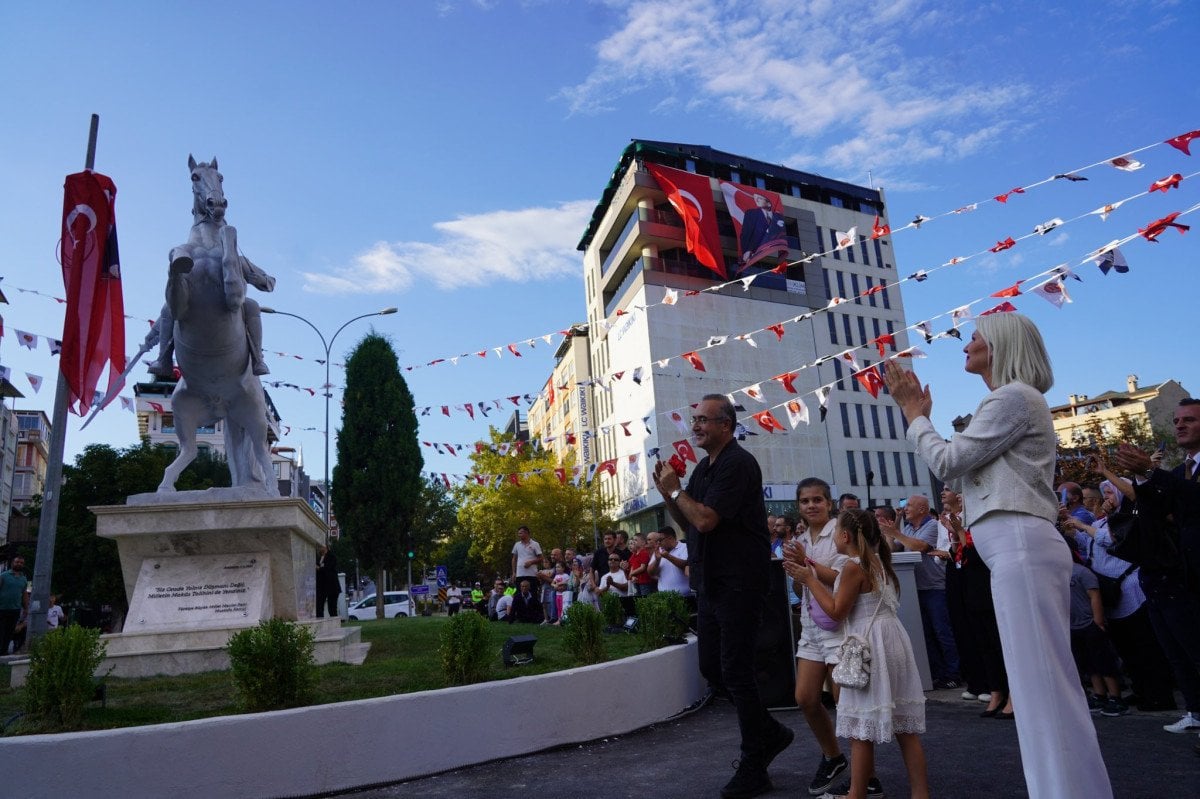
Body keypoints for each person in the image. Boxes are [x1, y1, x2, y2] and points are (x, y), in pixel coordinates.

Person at [885, 311, 1112, 797]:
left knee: (1042, 691)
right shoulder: (1011, 400)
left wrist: (914, 414)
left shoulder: (1011, 398)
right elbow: (961, 471)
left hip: (1021, 548)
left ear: (1001, 346)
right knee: (1040, 690)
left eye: (976, 338)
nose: (966, 345)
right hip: (1017, 550)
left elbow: (948, 461)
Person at [654, 394, 792, 799]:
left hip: (739, 583)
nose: (694, 426)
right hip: (711, 584)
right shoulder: (703, 469)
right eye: (693, 418)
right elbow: (688, 523)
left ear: (726, 425)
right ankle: (770, 732)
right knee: (713, 668)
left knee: (736, 671)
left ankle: (755, 762)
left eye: (702, 420)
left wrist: (678, 491)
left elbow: (707, 520)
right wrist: (668, 494)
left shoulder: (737, 463)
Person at [789, 509, 928, 799]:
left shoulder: (853, 566)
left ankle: (856, 794)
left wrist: (809, 580)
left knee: (860, 728)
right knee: (905, 728)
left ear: (844, 536)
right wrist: (809, 566)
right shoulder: (876, 561)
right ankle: (920, 793)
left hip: (869, 644)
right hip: (892, 639)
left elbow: (837, 611)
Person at [1113, 398, 1200, 737]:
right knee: (1179, 653)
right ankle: (1195, 710)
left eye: (1189, 420)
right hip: (1172, 575)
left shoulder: (1179, 478)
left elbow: (1193, 501)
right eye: (1177, 420)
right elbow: (1156, 512)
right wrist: (1141, 478)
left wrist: (1151, 473)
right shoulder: (1180, 472)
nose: (1179, 425)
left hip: (1190, 576)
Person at [785, 477, 852, 796]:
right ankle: (833, 756)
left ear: (829, 503)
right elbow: (801, 586)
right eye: (805, 501)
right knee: (805, 698)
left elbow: (844, 577)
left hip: (838, 624)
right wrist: (798, 572)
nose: (811, 505)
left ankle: (866, 774)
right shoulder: (803, 538)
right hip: (811, 625)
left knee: (845, 702)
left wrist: (806, 566)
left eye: (817, 500)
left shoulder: (840, 532)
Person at [882, 495, 961, 690]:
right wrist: (890, 534)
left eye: (909, 505)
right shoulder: (908, 528)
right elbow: (893, 551)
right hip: (916, 588)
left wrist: (896, 532)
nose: (905, 508)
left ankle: (954, 673)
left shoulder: (933, 526)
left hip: (935, 587)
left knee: (942, 632)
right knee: (926, 633)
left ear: (922, 509)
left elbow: (921, 547)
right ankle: (937, 673)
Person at [1, 556, 30, 655]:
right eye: (17, 562)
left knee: (9, 632)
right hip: (2, 608)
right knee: (1, 631)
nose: (19, 564)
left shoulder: (23, 579)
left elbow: (24, 594)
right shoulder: (4, 576)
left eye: (21, 563)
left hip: (15, 609)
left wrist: (26, 608)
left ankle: (3, 653)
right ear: (13, 563)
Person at [315, 545, 341, 619]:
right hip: (321, 587)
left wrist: (319, 569)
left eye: (320, 547)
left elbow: (328, 569)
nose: (319, 549)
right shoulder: (319, 558)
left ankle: (335, 625)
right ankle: (320, 622)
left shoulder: (332, 557)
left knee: (332, 608)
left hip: (332, 587)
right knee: (319, 607)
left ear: (325, 547)